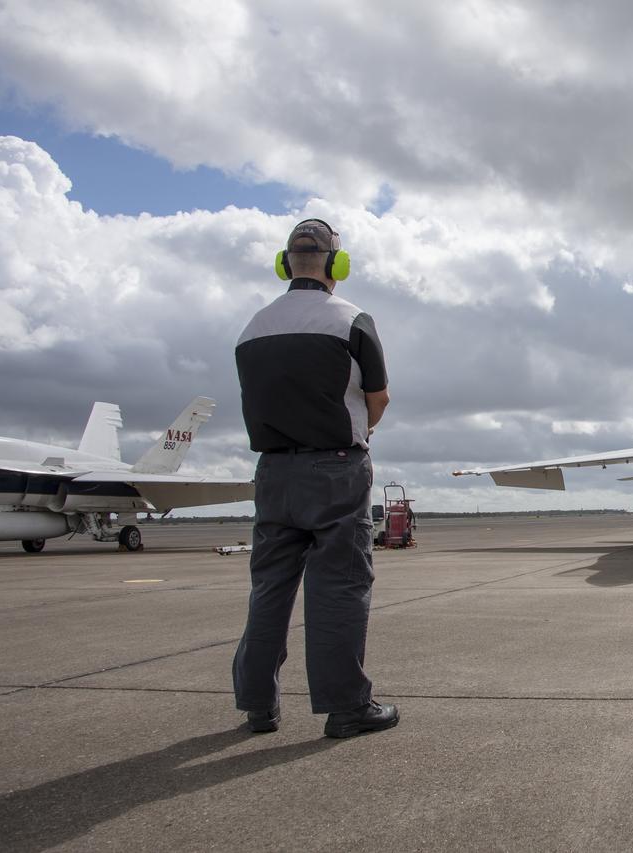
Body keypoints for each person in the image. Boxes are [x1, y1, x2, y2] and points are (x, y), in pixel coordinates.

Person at [232, 218, 398, 738]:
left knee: (269, 590)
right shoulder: (351, 321)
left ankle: (258, 706)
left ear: (286, 263)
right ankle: (346, 707)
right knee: (340, 587)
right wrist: (352, 434)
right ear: (336, 265)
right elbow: (378, 399)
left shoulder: (253, 327)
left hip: (273, 473)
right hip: (335, 470)